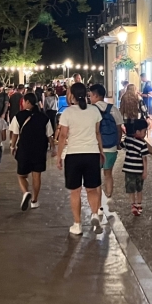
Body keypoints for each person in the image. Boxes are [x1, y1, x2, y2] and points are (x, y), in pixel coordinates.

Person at [56, 82, 104, 236]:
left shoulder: (67, 113)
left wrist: (59, 156)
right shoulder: (94, 110)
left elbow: (63, 136)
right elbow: (97, 133)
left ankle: (77, 225)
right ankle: (95, 214)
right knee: (91, 189)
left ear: (72, 96)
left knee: (75, 192)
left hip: (74, 155)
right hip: (91, 153)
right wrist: (101, 151)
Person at [10, 92, 52, 211]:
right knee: (36, 175)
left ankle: (25, 192)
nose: (22, 103)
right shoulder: (44, 117)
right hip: (40, 150)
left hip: (24, 149)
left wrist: (12, 147)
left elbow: (15, 134)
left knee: (21, 175)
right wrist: (53, 148)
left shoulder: (18, 116)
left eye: (23, 101)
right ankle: (34, 200)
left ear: (28, 102)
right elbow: (49, 135)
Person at [89, 84, 120, 215]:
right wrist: (117, 143)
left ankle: (99, 206)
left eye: (90, 95)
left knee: (96, 177)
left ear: (96, 95)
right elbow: (119, 128)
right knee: (108, 174)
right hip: (111, 147)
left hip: (95, 148)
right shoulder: (113, 109)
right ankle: (108, 196)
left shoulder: (90, 110)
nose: (89, 98)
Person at [121, 118, 150, 215]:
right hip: (137, 169)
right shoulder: (142, 144)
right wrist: (145, 171)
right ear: (138, 131)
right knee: (138, 188)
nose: (145, 133)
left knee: (132, 188)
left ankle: (135, 204)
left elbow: (121, 145)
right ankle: (137, 205)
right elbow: (144, 159)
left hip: (129, 169)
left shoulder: (128, 140)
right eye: (144, 131)